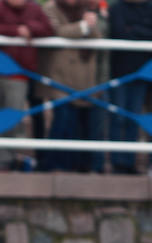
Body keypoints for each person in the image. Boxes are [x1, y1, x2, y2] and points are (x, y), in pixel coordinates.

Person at [0, 0, 54, 172]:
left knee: (10, 119)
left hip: (19, 74)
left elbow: (48, 29)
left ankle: (5, 161)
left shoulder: (35, 9)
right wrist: (17, 30)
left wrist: (29, 28)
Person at [39, 0, 108, 174]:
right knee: (61, 120)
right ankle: (54, 164)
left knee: (78, 123)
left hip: (84, 77)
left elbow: (96, 37)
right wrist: (84, 26)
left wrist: (90, 25)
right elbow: (58, 31)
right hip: (60, 75)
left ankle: (74, 165)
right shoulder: (50, 8)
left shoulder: (85, 9)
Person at [108, 0, 152, 175]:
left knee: (134, 118)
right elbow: (118, 32)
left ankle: (129, 162)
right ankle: (116, 162)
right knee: (118, 118)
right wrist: (142, 31)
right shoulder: (117, 8)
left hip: (142, 73)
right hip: (119, 72)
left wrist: (132, 29)